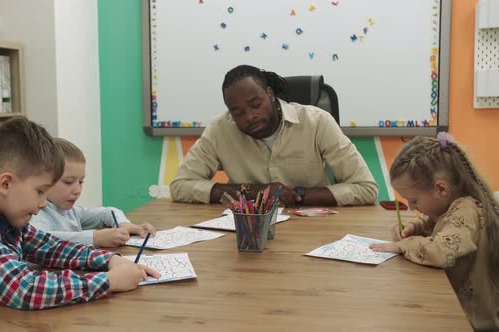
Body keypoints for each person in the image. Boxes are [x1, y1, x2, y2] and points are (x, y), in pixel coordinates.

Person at [0, 117, 160, 319]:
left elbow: (51, 247)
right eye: (40, 191)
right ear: (6, 183)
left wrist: (109, 260)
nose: (43, 203)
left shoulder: (4, 218)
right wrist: (107, 281)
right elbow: (24, 289)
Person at [170, 64, 378, 207]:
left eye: (255, 104)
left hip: (313, 229)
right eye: (237, 112)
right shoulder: (220, 129)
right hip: (249, 230)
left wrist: (297, 195)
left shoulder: (317, 122)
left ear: (270, 94)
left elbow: (366, 188)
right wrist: (253, 192)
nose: (249, 116)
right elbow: (180, 186)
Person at [370, 134, 499, 331]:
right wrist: (415, 227)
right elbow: (437, 220)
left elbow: (441, 252)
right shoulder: (453, 205)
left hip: (474, 322)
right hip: (457, 310)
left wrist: (403, 245)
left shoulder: (467, 211)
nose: (412, 208)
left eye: (414, 200)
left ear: (441, 189)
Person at [30, 138, 156, 247]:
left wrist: (123, 224)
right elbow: (39, 240)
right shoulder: (37, 215)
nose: (77, 190)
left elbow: (108, 212)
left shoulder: (72, 212)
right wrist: (95, 238)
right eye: (68, 182)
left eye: (81, 182)